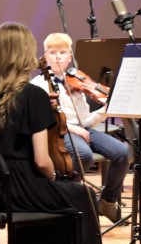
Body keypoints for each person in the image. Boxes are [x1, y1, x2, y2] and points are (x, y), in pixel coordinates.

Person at [0, 22, 110, 244]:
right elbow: (41, 161)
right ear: (23, 53)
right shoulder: (32, 95)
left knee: (64, 198)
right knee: (83, 197)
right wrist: (54, 177)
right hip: (21, 185)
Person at [29, 33, 129, 224]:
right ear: (45, 56)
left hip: (82, 129)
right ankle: (67, 199)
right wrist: (73, 129)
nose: (58, 57)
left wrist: (105, 110)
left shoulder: (76, 82)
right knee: (83, 154)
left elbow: (86, 122)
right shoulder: (39, 84)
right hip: (61, 131)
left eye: (62, 52)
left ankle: (107, 201)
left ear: (70, 57)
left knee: (122, 152)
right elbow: (45, 118)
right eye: (53, 52)